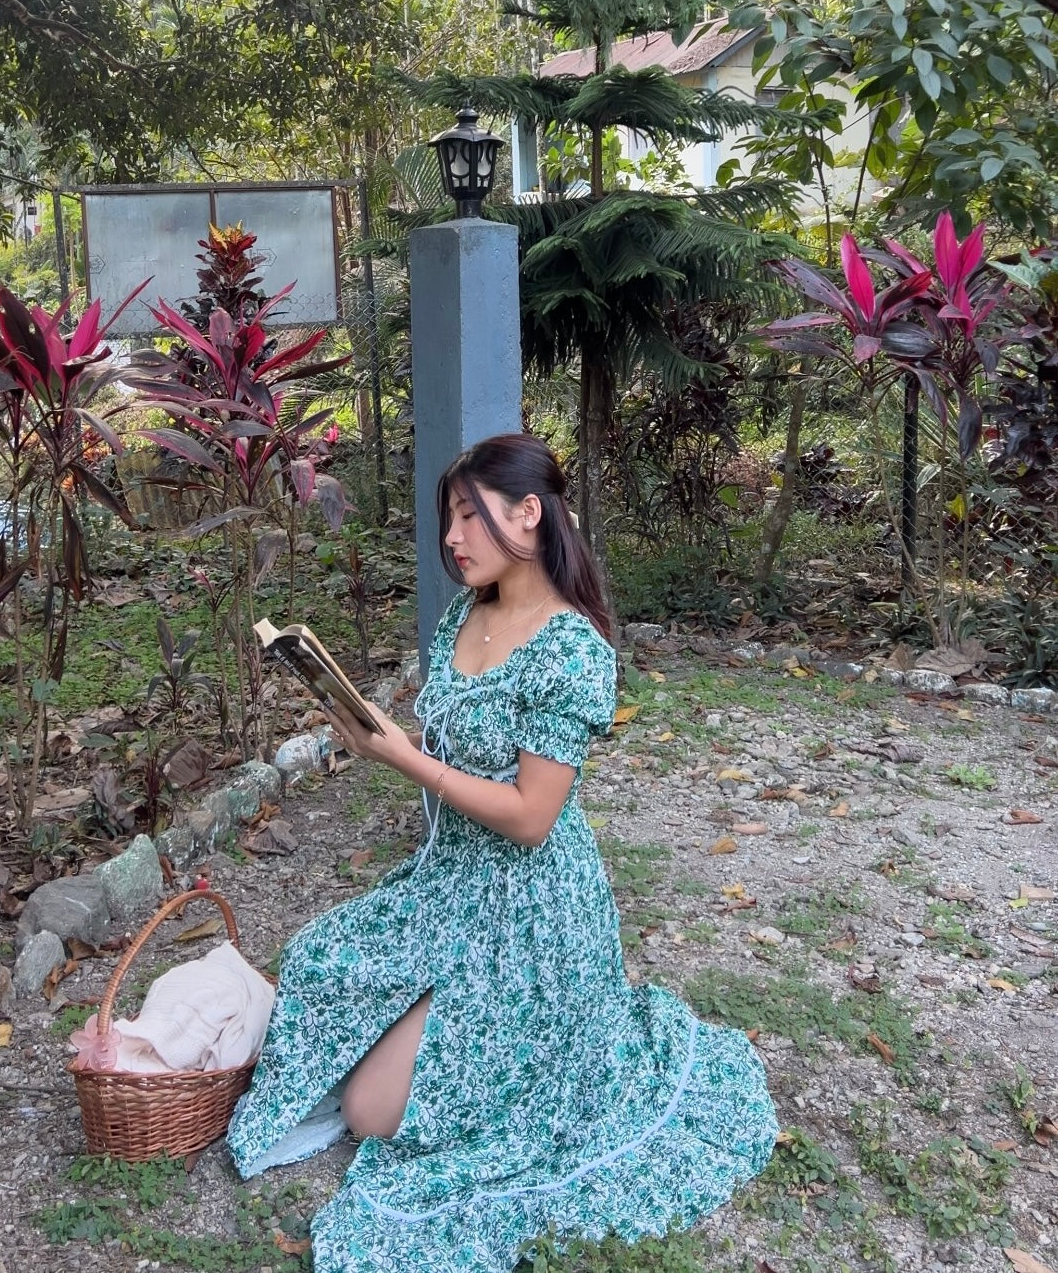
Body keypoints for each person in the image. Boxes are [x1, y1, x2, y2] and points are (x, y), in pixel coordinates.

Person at [227, 432, 777, 1272]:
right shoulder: (468, 611)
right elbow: (453, 748)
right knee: (316, 961)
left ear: (528, 513)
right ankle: (430, 1039)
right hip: (447, 881)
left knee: (373, 1114)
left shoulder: (572, 652)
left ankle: (537, 1044)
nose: (452, 537)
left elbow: (530, 818)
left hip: (532, 913)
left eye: (467, 516)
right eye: (448, 518)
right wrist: (372, 729)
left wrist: (401, 757)